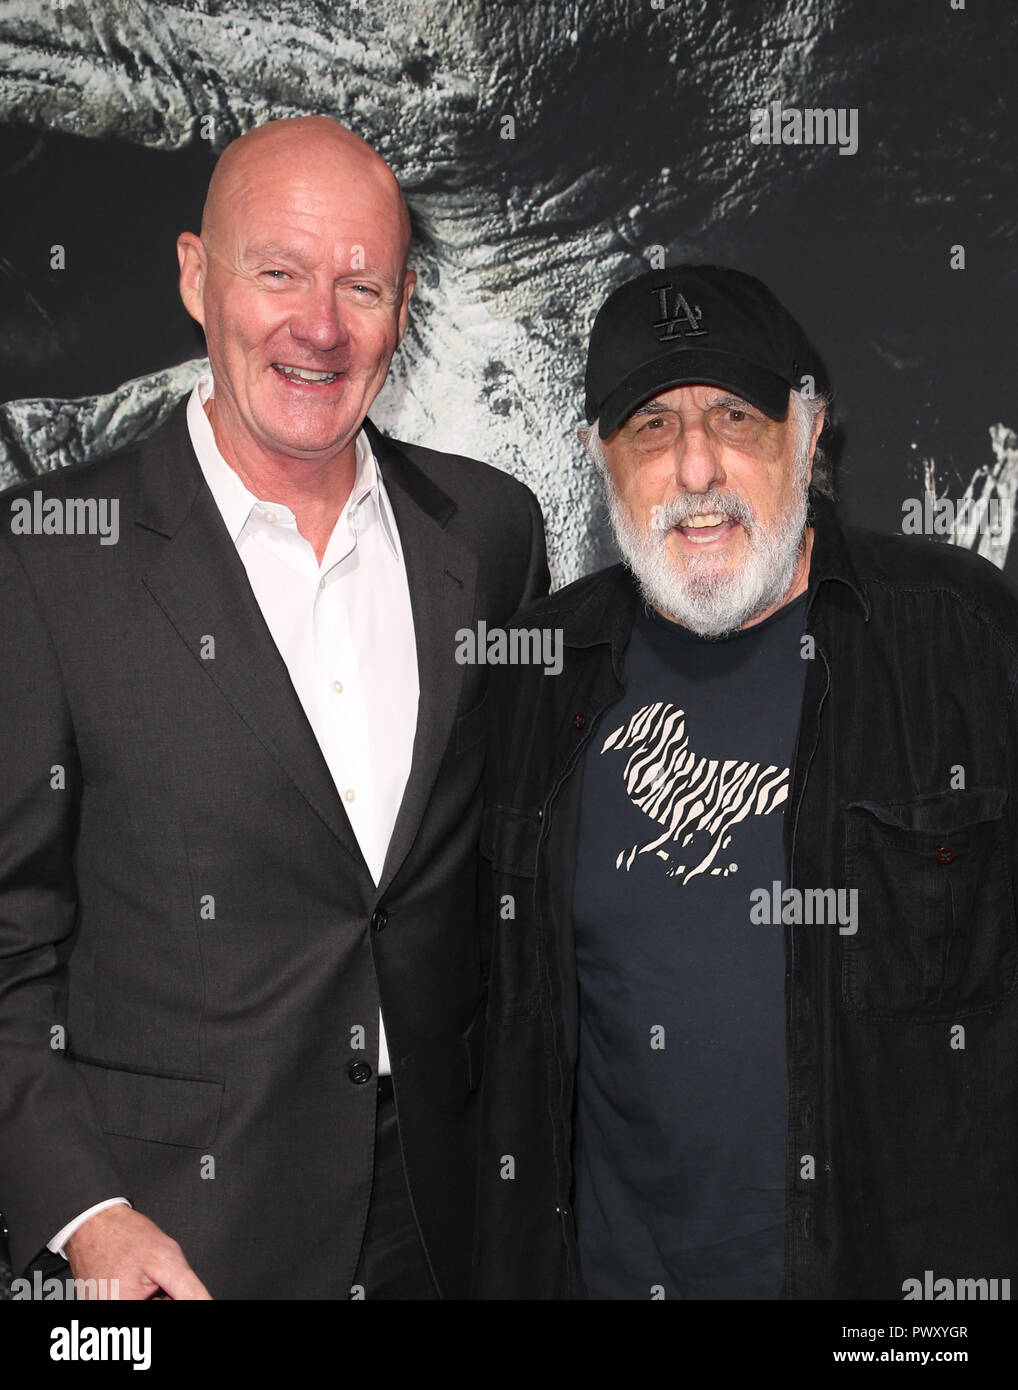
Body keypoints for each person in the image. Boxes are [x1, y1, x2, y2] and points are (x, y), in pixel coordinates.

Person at [0, 115, 547, 1300]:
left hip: (447, 1224)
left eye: (362, 284)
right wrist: (87, 1215)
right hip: (178, 1240)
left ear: (403, 309)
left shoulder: (493, 535)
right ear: (196, 275)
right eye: (280, 272)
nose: (320, 325)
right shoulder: (47, 558)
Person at [473, 263, 1018, 1300]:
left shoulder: (962, 637)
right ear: (601, 457)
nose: (695, 468)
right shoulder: (536, 679)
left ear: (808, 434)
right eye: (650, 426)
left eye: (736, 414)